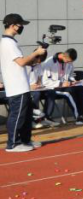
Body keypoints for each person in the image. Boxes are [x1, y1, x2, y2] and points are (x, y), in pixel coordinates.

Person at [2, 14, 47, 152]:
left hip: (21, 85)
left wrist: (35, 57)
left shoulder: (10, 42)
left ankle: (25, 140)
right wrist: (36, 53)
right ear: (12, 25)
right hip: (17, 86)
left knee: (26, 115)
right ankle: (13, 144)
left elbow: (20, 62)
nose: (21, 27)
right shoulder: (8, 43)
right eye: (20, 25)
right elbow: (21, 62)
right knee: (17, 116)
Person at [41, 48, 83, 125]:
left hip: (66, 86)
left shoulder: (69, 62)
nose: (69, 63)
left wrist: (73, 81)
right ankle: (78, 118)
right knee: (69, 92)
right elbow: (45, 82)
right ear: (63, 56)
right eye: (68, 61)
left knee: (81, 88)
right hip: (53, 88)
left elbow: (71, 74)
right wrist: (61, 84)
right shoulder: (49, 62)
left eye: (71, 61)